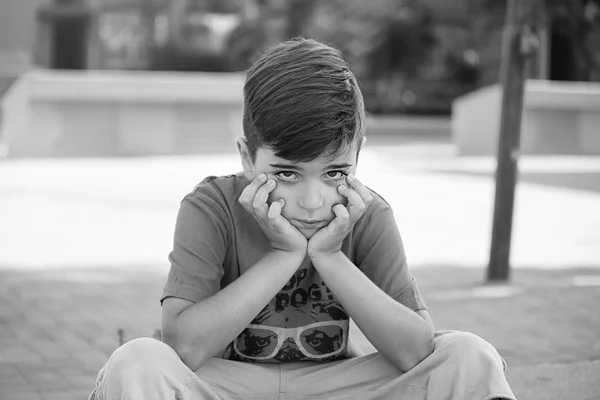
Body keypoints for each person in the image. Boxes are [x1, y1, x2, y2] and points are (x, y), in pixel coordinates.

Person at [89, 38, 516, 400]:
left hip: (335, 386)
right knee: (138, 362)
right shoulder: (212, 206)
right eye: (287, 173)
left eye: (335, 173)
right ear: (247, 158)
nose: (313, 202)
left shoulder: (365, 214)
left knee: (468, 356)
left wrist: (331, 256)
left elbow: (416, 350)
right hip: (227, 388)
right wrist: (284, 254)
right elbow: (184, 345)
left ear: (357, 158)